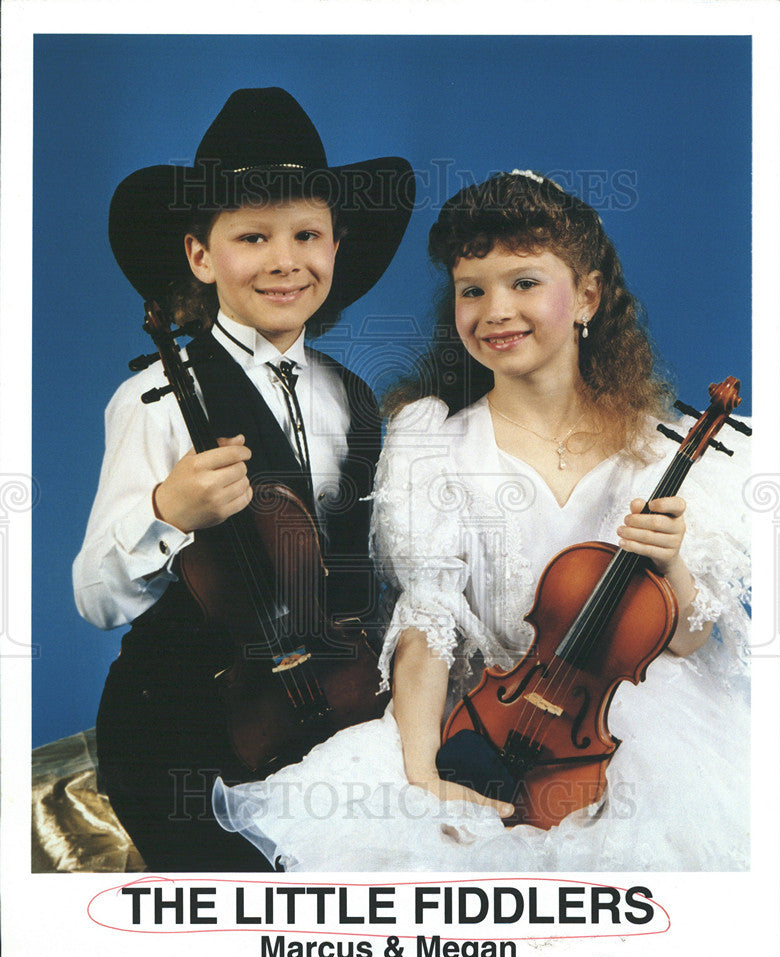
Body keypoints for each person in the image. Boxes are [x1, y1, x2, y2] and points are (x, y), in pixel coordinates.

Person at [212, 169, 751, 872]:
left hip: (637, 728)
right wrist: (421, 771)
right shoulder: (432, 442)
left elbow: (686, 637)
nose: (495, 309)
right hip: (489, 721)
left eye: (524, 283)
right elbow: (427, 620)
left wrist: (671, 560)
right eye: (473, 290)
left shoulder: (664, 449)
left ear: (586, 295)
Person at [73, 88, 414, 871]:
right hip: (184, 722)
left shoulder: (352, 397)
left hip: (327, 706)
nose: (284, 261)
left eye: (306, 234)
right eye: (252, 236)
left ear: (336, 246)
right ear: (200, 255)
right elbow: (93, 596)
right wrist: (168, 510)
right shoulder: (154, 400)